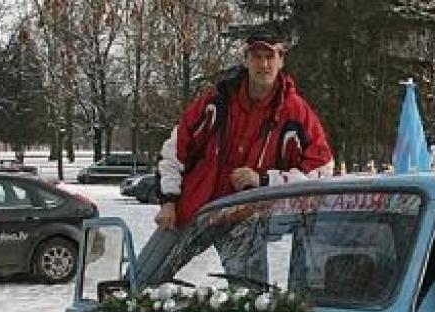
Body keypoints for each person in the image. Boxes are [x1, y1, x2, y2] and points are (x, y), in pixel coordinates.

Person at [135, 32, 334, 285]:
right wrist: (169, 201)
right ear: (245, 59)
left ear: (281, 60)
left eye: (269, 57)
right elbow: (175, 150)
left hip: (245, 219)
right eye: (256, 57)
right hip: (193, 210)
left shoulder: (296, 113)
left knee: (249, 295)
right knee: (141, 281)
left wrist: (263, 181)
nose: (263, 64)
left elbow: (322, 170)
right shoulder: (216, 102)